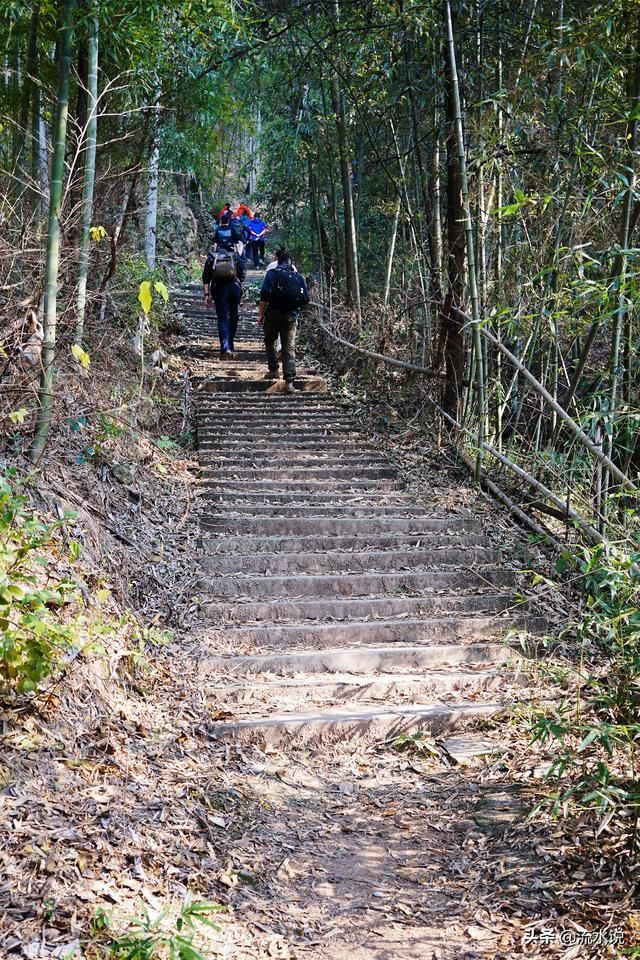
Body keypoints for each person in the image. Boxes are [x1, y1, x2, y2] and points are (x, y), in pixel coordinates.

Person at [257, 250, 309, 393]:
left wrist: (260, 314)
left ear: (277, 261)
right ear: (290, 263)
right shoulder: (298, 277)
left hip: (273, 313)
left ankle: (273, 369)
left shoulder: (272, 274)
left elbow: (264, 295)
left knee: (269, 340)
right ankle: (290, 383)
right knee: (288, 347)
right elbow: (306, 299)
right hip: (291, 316)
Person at [202, 242, 247, 359]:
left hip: (219, 289)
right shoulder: (235, 256)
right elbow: (243, 273)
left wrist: (206, 294)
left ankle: (225, 347)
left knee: (223, 318)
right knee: (234, 317)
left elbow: (206, 277)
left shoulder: (212, 257)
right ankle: (230, 345)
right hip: (234, 288)